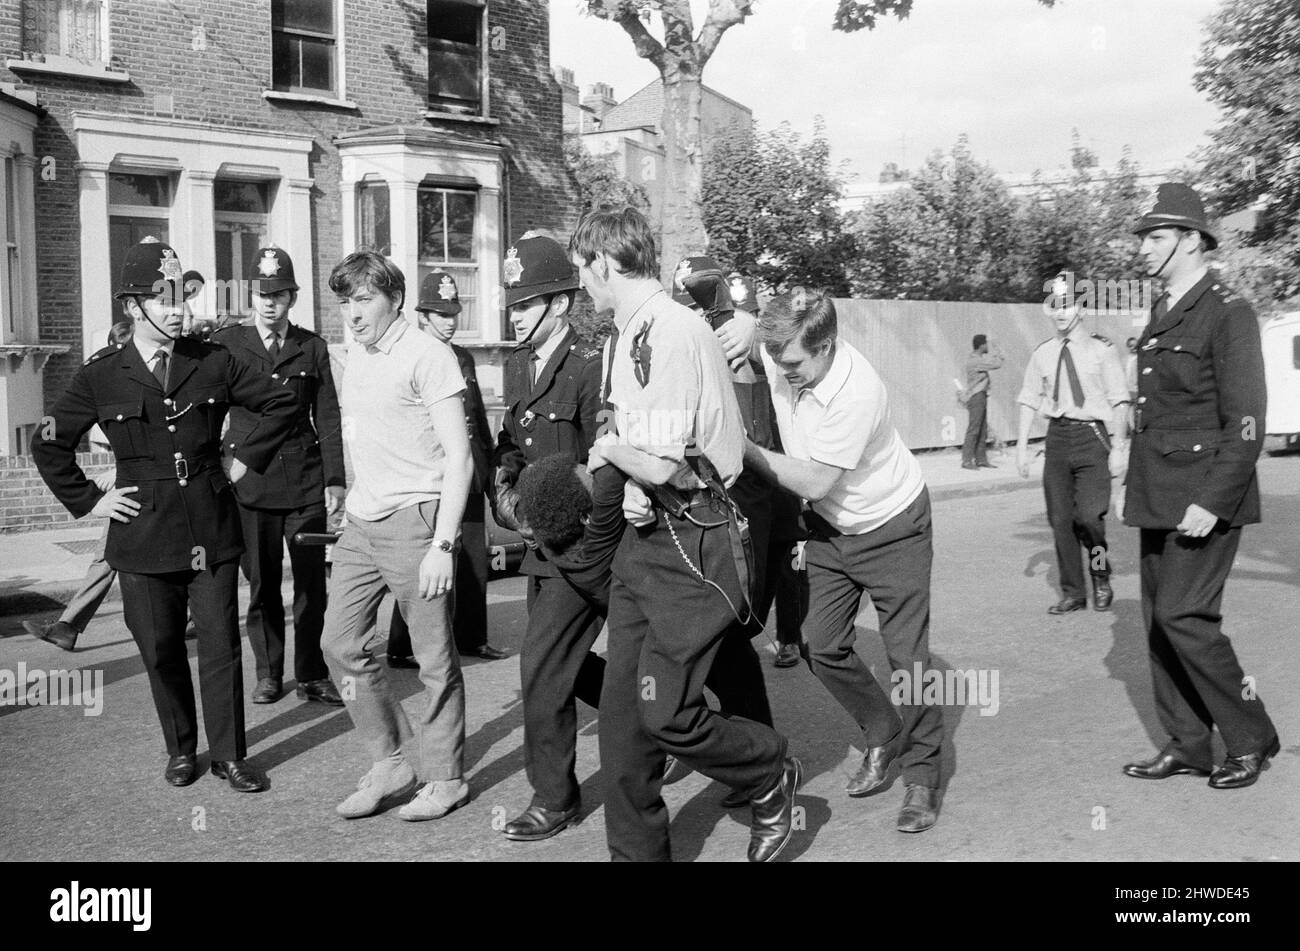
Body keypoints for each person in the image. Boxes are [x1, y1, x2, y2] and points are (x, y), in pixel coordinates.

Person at [572, 207, 799, 863]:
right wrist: (631, 475)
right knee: (622, 721)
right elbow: (657, 451)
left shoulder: (668, 331)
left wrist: (612, 452)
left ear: (606, 262)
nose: (584, 284)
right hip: (648, 541)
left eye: (586, 269)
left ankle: (767, 770)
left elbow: (670, 461)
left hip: (692, 538)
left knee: (666, 713)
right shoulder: (631, 331)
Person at [33, 237, 298, 792]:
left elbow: (282, 402)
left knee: (221, 645)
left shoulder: (213, 361)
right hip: (143, 533)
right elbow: (49, 441)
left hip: (212, 523)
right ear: (133, 307)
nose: (180, 308)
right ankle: (182, 748)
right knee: (158, 648)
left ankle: (229, 755)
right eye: (165, 298)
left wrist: (244, 460)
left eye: (184, 296)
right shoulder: (103, 373)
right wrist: (90, 500)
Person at [742, 287, 946, 834]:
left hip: (893, 527)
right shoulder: (780, 350)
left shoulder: (859, 391)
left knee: (910, 661)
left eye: (795, 365)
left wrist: (739, 446)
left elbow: (812, 479)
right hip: (832, 527)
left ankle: (924, 775)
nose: (785, 374)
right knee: (820, 644)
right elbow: (748, 339)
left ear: (827, 346)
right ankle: (883, 730)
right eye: (778, 361)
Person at [1122, 182, 1279, 789]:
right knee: (1160, 621)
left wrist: (1211, 501)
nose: (1143, 249)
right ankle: (1189, 743)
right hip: (1159, 491)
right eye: (1143, 238)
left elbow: (1245, 421)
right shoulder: (1165, 308)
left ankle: (1251, 735)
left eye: (1155, 237)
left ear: (1192, 240)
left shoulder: (1229, 310)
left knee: (1187, 616)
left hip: (1206, 497)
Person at [320, 251, 474, 822]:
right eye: (344, 301)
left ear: (395, 299)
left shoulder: (430, 357)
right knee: (337, 644)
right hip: (362, 521)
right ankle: (389, 761)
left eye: (363, 299)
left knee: (433, 660)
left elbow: (460, 459)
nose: (352, 314)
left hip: (418, 520)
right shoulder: (355, 354)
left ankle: (446, 777)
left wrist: (443, 544)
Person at [490, 234, 608, 841]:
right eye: (511, 303)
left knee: (542, 665)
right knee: (560, 664)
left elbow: (605, 468)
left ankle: (554, 796)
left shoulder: (590, 365)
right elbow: (507, 450)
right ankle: (652, 717)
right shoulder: (518, 364)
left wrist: (564, 515)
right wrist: (509, 501)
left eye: (524, 304)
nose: (513, 315)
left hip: (588, 548)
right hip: (542, 548)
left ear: (558, 304)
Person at [213, 246, 345, 707]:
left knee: (312, 585)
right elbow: (210, 412)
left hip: (305, 480)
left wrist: (335, 481)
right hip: (250, 478)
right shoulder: (228, 345)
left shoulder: (312, 347)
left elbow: (327, 416)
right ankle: (268, 672)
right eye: (262, 294)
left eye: (280, 294)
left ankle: (311, 672)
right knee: (263, 584)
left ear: (293, 297)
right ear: (251, 296)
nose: (270, 303)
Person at [385, 269, 508, 665]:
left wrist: (489, 476)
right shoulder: (413, 355)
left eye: (454, 312)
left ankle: (472, 636)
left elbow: (477, 421)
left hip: (467, 474)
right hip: (431, 478)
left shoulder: (463, 358)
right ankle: (403, 647)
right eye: (440, 313)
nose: (450, 321)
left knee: (474, 559)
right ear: (422, 315)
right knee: (423, 562)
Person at [1014, 271, 1130, 614]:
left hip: (1092, 437)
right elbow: (1028, 399)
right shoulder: (1043, 353)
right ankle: (1073, 592)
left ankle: (1100, 573)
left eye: (1066, 304)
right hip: (1058, 439)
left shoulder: (1101, 350)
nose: (1061, 312)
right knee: (1060, 519)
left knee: (1090, 518)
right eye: (1054, 306)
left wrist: (1119, 447)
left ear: (1079, 307)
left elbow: (1120, 400)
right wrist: (1021, 447)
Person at [25, 321, 138, 651]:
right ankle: (68, 626)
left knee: (111, 556)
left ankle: (68, 626)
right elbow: (48, 438)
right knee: (108, 557)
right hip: (133, 488)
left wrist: (120, 472)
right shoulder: (108, 378)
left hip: (167, 487)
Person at [961, 334, 1003, 469]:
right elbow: (997, 364)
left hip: (981, 396)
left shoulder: (977, 359)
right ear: (981, 345)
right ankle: (967, 460)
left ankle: (981, 459)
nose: (987, 346)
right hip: (977, 396)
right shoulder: (976, 361)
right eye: (985, 343)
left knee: (982, 429)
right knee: (974, 429)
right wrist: (997, 349)